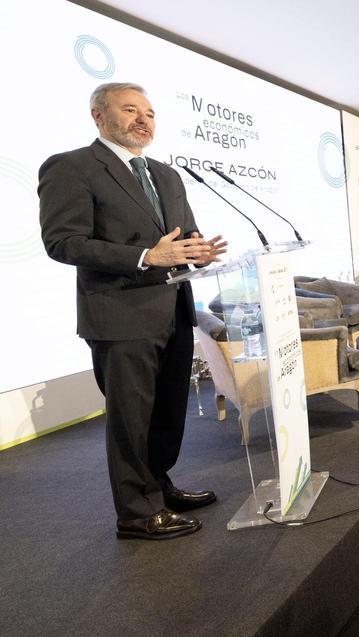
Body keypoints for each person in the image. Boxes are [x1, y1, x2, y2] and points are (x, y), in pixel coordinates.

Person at [39, 82, 227, 540]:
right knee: (131, 419)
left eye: (150, 112)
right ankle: (137, 513)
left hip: (174, 311)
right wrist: (146, 257)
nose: (144, 119)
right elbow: (63, 242)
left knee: (166, 414)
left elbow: (183, 236)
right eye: (130, 110)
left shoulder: (166, 174)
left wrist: (197, 251)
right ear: (98, 116)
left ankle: (157, 488)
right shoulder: (72, 167)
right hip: (120, 316)